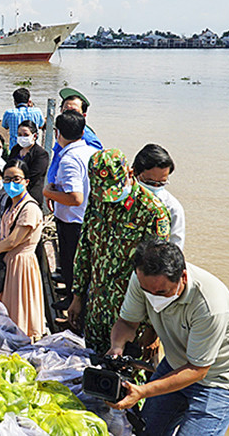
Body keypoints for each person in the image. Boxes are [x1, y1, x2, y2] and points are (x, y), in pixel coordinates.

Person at [108, 240, 229, 435]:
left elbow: (197, 370)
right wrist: (117, 347)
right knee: (146, 430)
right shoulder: (141, 279)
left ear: (183, 277)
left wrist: (143, 391)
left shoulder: (209, 305)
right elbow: (127, 323)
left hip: (219, 381)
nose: (154, 297)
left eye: (162, 292)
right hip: (175, 363)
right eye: (148, 292)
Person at [68, 149, 170, 354]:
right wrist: (77, 296)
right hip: (97, 308)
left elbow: (159, 274)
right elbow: (85, 248)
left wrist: (153, 328)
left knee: (129, 370)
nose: (108, 199)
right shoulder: (97, 200)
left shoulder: (152, 212)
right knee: (92, 364)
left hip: (131, 317)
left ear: (130, 174)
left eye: (113, 190)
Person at [0, 159, 45, 339]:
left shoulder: (29, 208)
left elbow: (13, 241)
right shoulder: (10, 205)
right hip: (8, 262)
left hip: (21, 264)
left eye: (16, 179)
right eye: (7, 179)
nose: (11, 183)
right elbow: (3, 237)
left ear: (26, 181)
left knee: (20, 309)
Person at [42, 111, 97, 308]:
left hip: (72, 220)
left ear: (57, 133)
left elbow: (75, 197)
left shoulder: (69, 160)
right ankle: (75, 297)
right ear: (83, 132)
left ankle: (72, 302)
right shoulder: (92, 153)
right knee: (82, 263)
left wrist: (48, 192)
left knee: (70, 261)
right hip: (87, 218)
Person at [132, 144, 185, 250]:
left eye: (161, 183)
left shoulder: (172, 208)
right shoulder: (118, 200)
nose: (155, 187)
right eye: (150, 182)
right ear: (134, 172)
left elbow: (175, 248)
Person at [46, 87, 103, 185]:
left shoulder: (88, 138)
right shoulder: (62, 131)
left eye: (74, 111)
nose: (69, 115)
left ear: (83, 116)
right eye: (65, 110)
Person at [7, 120, 48, 204]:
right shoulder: (16, 149)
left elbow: (33, 176)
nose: (22, 137)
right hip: (12, 194)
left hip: (30, 195)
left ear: (34, 136)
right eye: (19, 135)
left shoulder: (40, 154)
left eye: (26, 135)